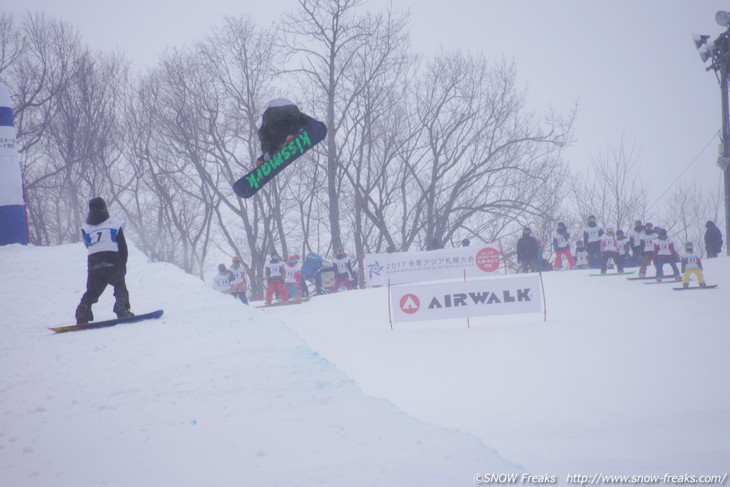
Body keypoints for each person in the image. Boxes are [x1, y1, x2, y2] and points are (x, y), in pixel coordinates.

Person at [74, 197, 133, 324]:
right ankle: (122, 308)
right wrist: (123, 265)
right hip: (112, 260)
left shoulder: (86, 228)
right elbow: (123, 247)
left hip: (94, 262)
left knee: (92, 290)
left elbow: (88, 245)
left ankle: (83, 311)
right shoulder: (114, 224)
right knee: (119, 285)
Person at [257, 98, 315, 166]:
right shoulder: (292, 113)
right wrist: (314, 124)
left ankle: (263, 159)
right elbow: (304, 118)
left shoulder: (264, 127)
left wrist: (266, 152)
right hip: (290, 110)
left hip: (270, 114)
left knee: (274, 147)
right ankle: (292, 136)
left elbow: (263, 136)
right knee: (293, 126)